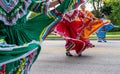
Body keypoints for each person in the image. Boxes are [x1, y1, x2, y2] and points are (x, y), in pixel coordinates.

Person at [0, 0, 81, 73]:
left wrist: (59, 1)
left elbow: (40, 6)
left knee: (18, 62)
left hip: (20, 36)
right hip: (3, 37)